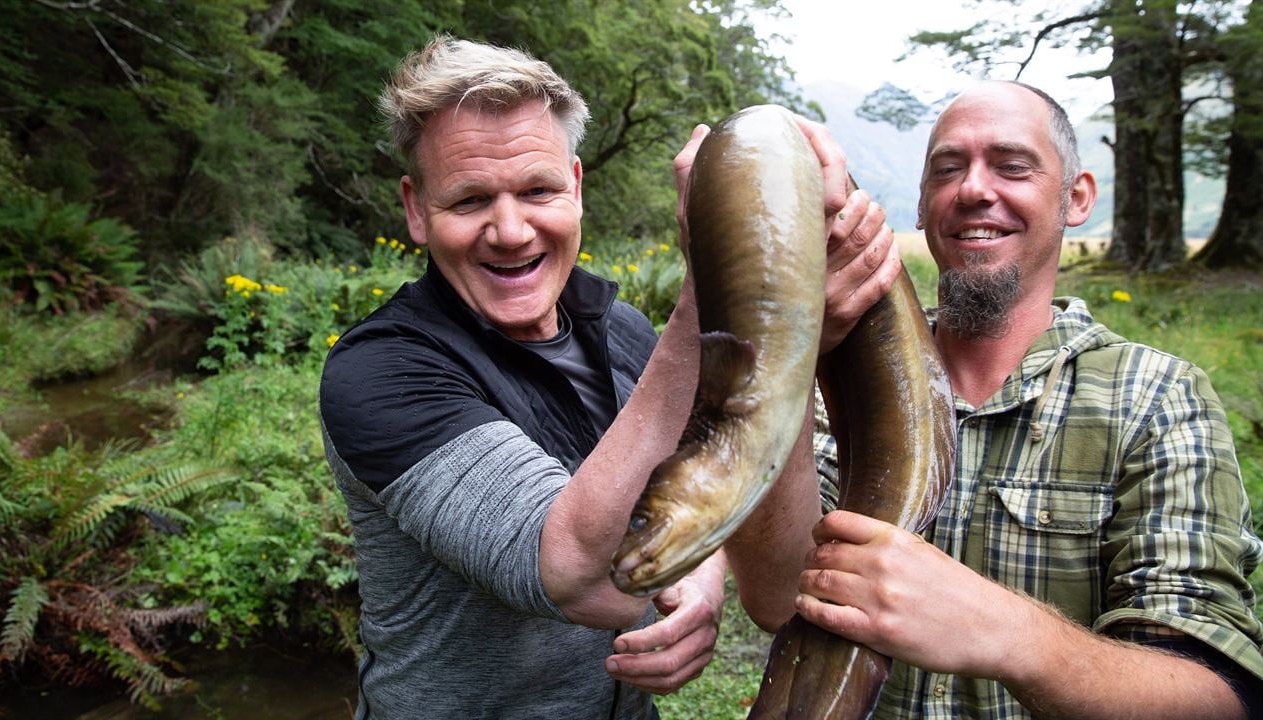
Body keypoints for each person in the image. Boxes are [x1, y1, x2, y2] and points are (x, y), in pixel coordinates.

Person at [318, 36, 898, 719]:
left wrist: (703, 577)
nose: (511, 230)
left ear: (576, 186)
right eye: (471, 200)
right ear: (417, 210)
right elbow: (575, 572)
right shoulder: (379, 373)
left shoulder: (622, 330)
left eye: (537, 189)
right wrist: (712, 283)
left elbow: (697, 480)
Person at [735, 80, 1263, 719]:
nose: (974, 189)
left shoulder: (1157, 399)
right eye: (947, 169)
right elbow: (774, 597)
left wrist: (1006, 633)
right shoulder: (829, 387)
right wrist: (794, 356)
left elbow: (1217, 697)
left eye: (1012, 166)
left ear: (1076, 198)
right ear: (924, 205)